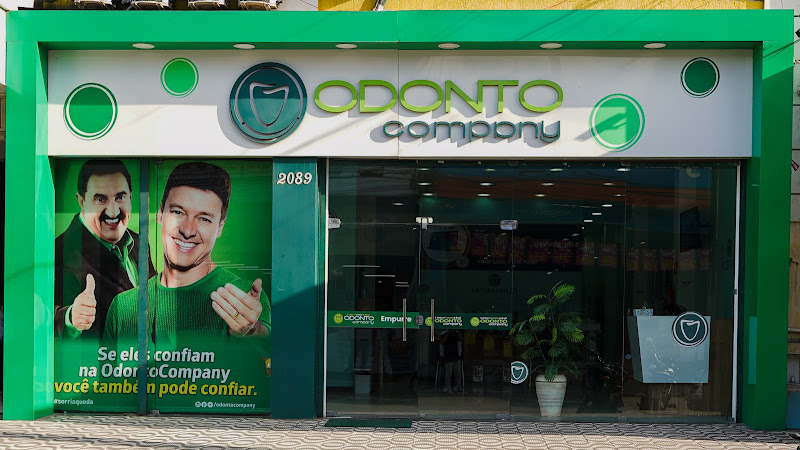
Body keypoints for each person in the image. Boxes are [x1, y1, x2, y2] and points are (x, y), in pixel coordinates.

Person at [104, 162, 270, 348]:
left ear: (220, 227)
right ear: (160, 213)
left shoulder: (243, 299)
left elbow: (274, 352)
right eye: (178, 212)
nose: (187, 230)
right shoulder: (123, 306)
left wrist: (255, 331)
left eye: (204, 219)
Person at [55, 159, 154, 339]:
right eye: (101, 199)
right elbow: (36, 315)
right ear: (82, 202)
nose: (113, 212)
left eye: (120, 197)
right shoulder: (61, 251)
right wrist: (70, 318)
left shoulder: (139, 242)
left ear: (131, 196)